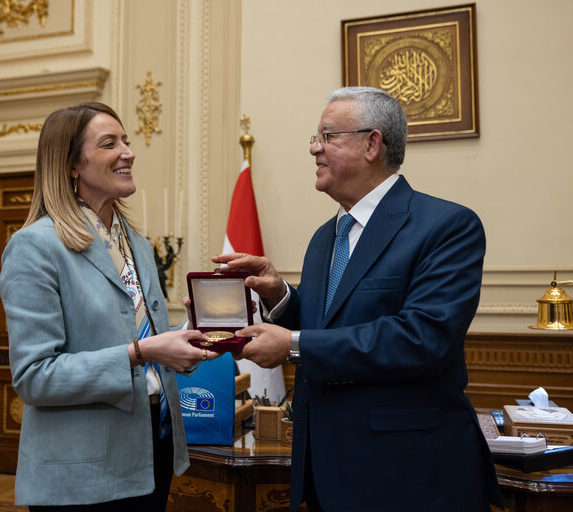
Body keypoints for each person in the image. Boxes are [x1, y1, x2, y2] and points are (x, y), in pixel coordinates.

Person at [216, 87, 504, 511]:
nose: (315, 148)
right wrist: (280, 293)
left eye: (328, 136)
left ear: (372, 143)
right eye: (316, 138)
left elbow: (422, 338)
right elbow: (328, 325)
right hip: (326, 470)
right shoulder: (325, 237)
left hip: (408, 474)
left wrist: (292, 345)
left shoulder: (446, 226)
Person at [0, 102, 215, 510]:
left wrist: (187, 343)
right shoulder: (35, 247)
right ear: (71, 165)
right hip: (81, 472)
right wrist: (144, 351)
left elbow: (147, 343)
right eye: (109, 143)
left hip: (153, 448)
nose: (128, 152)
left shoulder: (136, 244)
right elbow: (34, 377)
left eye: (127, 141)